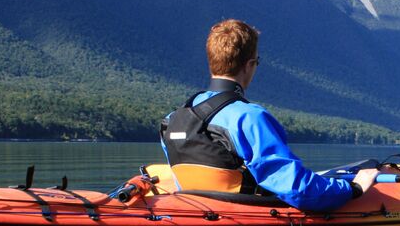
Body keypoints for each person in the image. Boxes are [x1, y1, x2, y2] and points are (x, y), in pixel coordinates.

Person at [159, 19, 377, 211]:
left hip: (194, 212)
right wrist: (353, 188)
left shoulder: (173, 119)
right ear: (251, 65)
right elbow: (296, 188)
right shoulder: (249, 117)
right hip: (245, 215)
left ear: (211, 61)